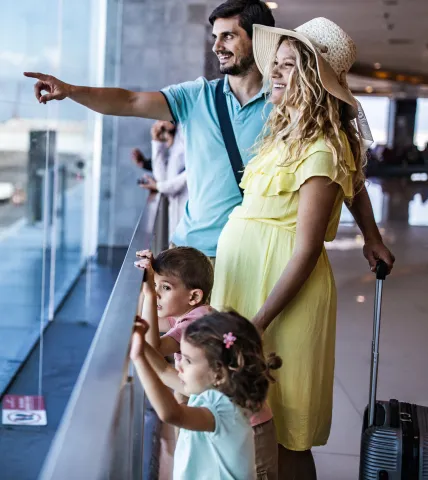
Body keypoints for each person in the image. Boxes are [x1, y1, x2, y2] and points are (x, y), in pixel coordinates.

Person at [23, 0, 395, 274]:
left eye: (229, 36)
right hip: (192, 252)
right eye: (214, 36)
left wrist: (371, 236)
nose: (217, 45)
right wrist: (71, 90)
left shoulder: (289, 103)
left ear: (258, 38)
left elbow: (344, 175)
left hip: (257, 260)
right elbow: (130, 100)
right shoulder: (196, 96)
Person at [211, 18, 380, 479]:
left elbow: (305, 250)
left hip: (281, 297)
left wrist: (257, 324)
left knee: (286, 429)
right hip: (247, 284)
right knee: (245, 418)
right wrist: (374, 236)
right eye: (277, 64)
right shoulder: (282, 136)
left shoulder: (321, 149)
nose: (276, 74)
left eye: (289, 66)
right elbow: (358, 185)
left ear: (314, 79)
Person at [136, 246, 279, 479]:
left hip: (254, 436)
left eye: (165, 287)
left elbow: (170, 406)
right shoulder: (201, 329)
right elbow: (162, 367)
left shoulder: (197, 326)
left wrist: (150, 296)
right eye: (156, 285)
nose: (180, 366)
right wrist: (138, 345)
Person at [130, 311, 281, 480]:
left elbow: (171, 414)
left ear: (218, 374)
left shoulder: (224, 408)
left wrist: (138, 358)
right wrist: (140, 342)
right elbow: (163, 370)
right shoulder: (208, 391)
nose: (179, 365)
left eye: (188, 360)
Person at [136, 121, 188, 240]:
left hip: (191, 220)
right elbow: (162, 178)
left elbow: (190, 174)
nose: (158, 124)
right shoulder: (176, 136)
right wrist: (157, 142)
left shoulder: (189, 132)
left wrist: (159, 186)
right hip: (177, 222)